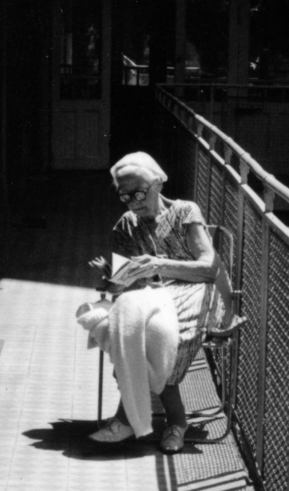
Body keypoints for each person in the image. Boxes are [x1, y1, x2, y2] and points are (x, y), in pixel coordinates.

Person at [80, 152, 230, 453]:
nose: (134, 203)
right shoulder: (127, 225)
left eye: (139, 193)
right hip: (155, 295)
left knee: (162, 342)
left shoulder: (185, 211)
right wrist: (110, 278)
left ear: (158, 184)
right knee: (131, 332)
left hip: (198, 291)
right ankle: (174, 422)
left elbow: (209, 268)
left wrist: (158, 264)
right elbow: (124, 283)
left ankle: (133, 421)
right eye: (125, 197)